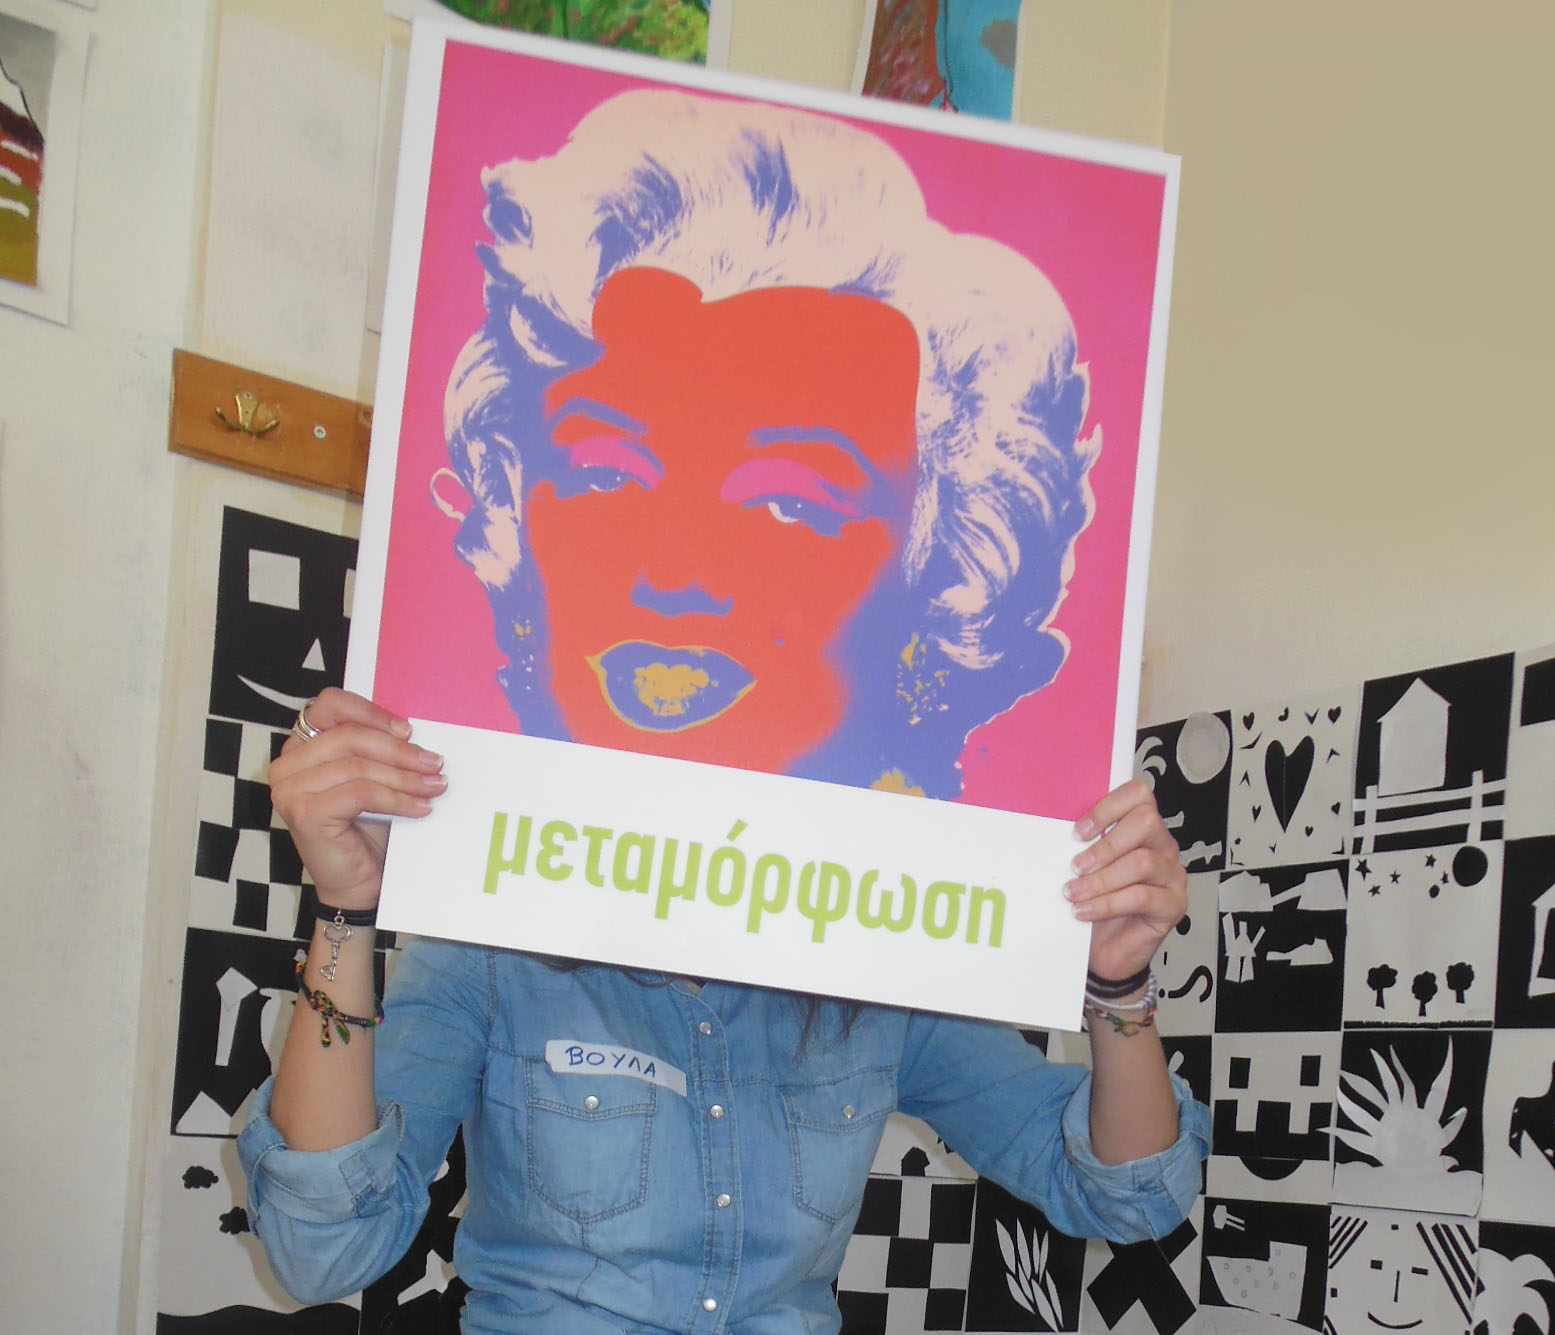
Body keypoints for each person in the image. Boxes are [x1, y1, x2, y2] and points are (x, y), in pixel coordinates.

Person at [240, 687, 1211, 1335]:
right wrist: (345, 909)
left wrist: (1118, 985)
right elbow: (324, 1249)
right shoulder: (494, 951)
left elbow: (1127, 1195)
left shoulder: (880, 978)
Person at [426, 88, 1106, 801]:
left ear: (945, 572)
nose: (672, 580)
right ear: (512, 502)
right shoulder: (449, 829)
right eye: (606, 477)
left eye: (790, 505)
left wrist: (1118, 881)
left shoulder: (984, 874)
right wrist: (364, 870)